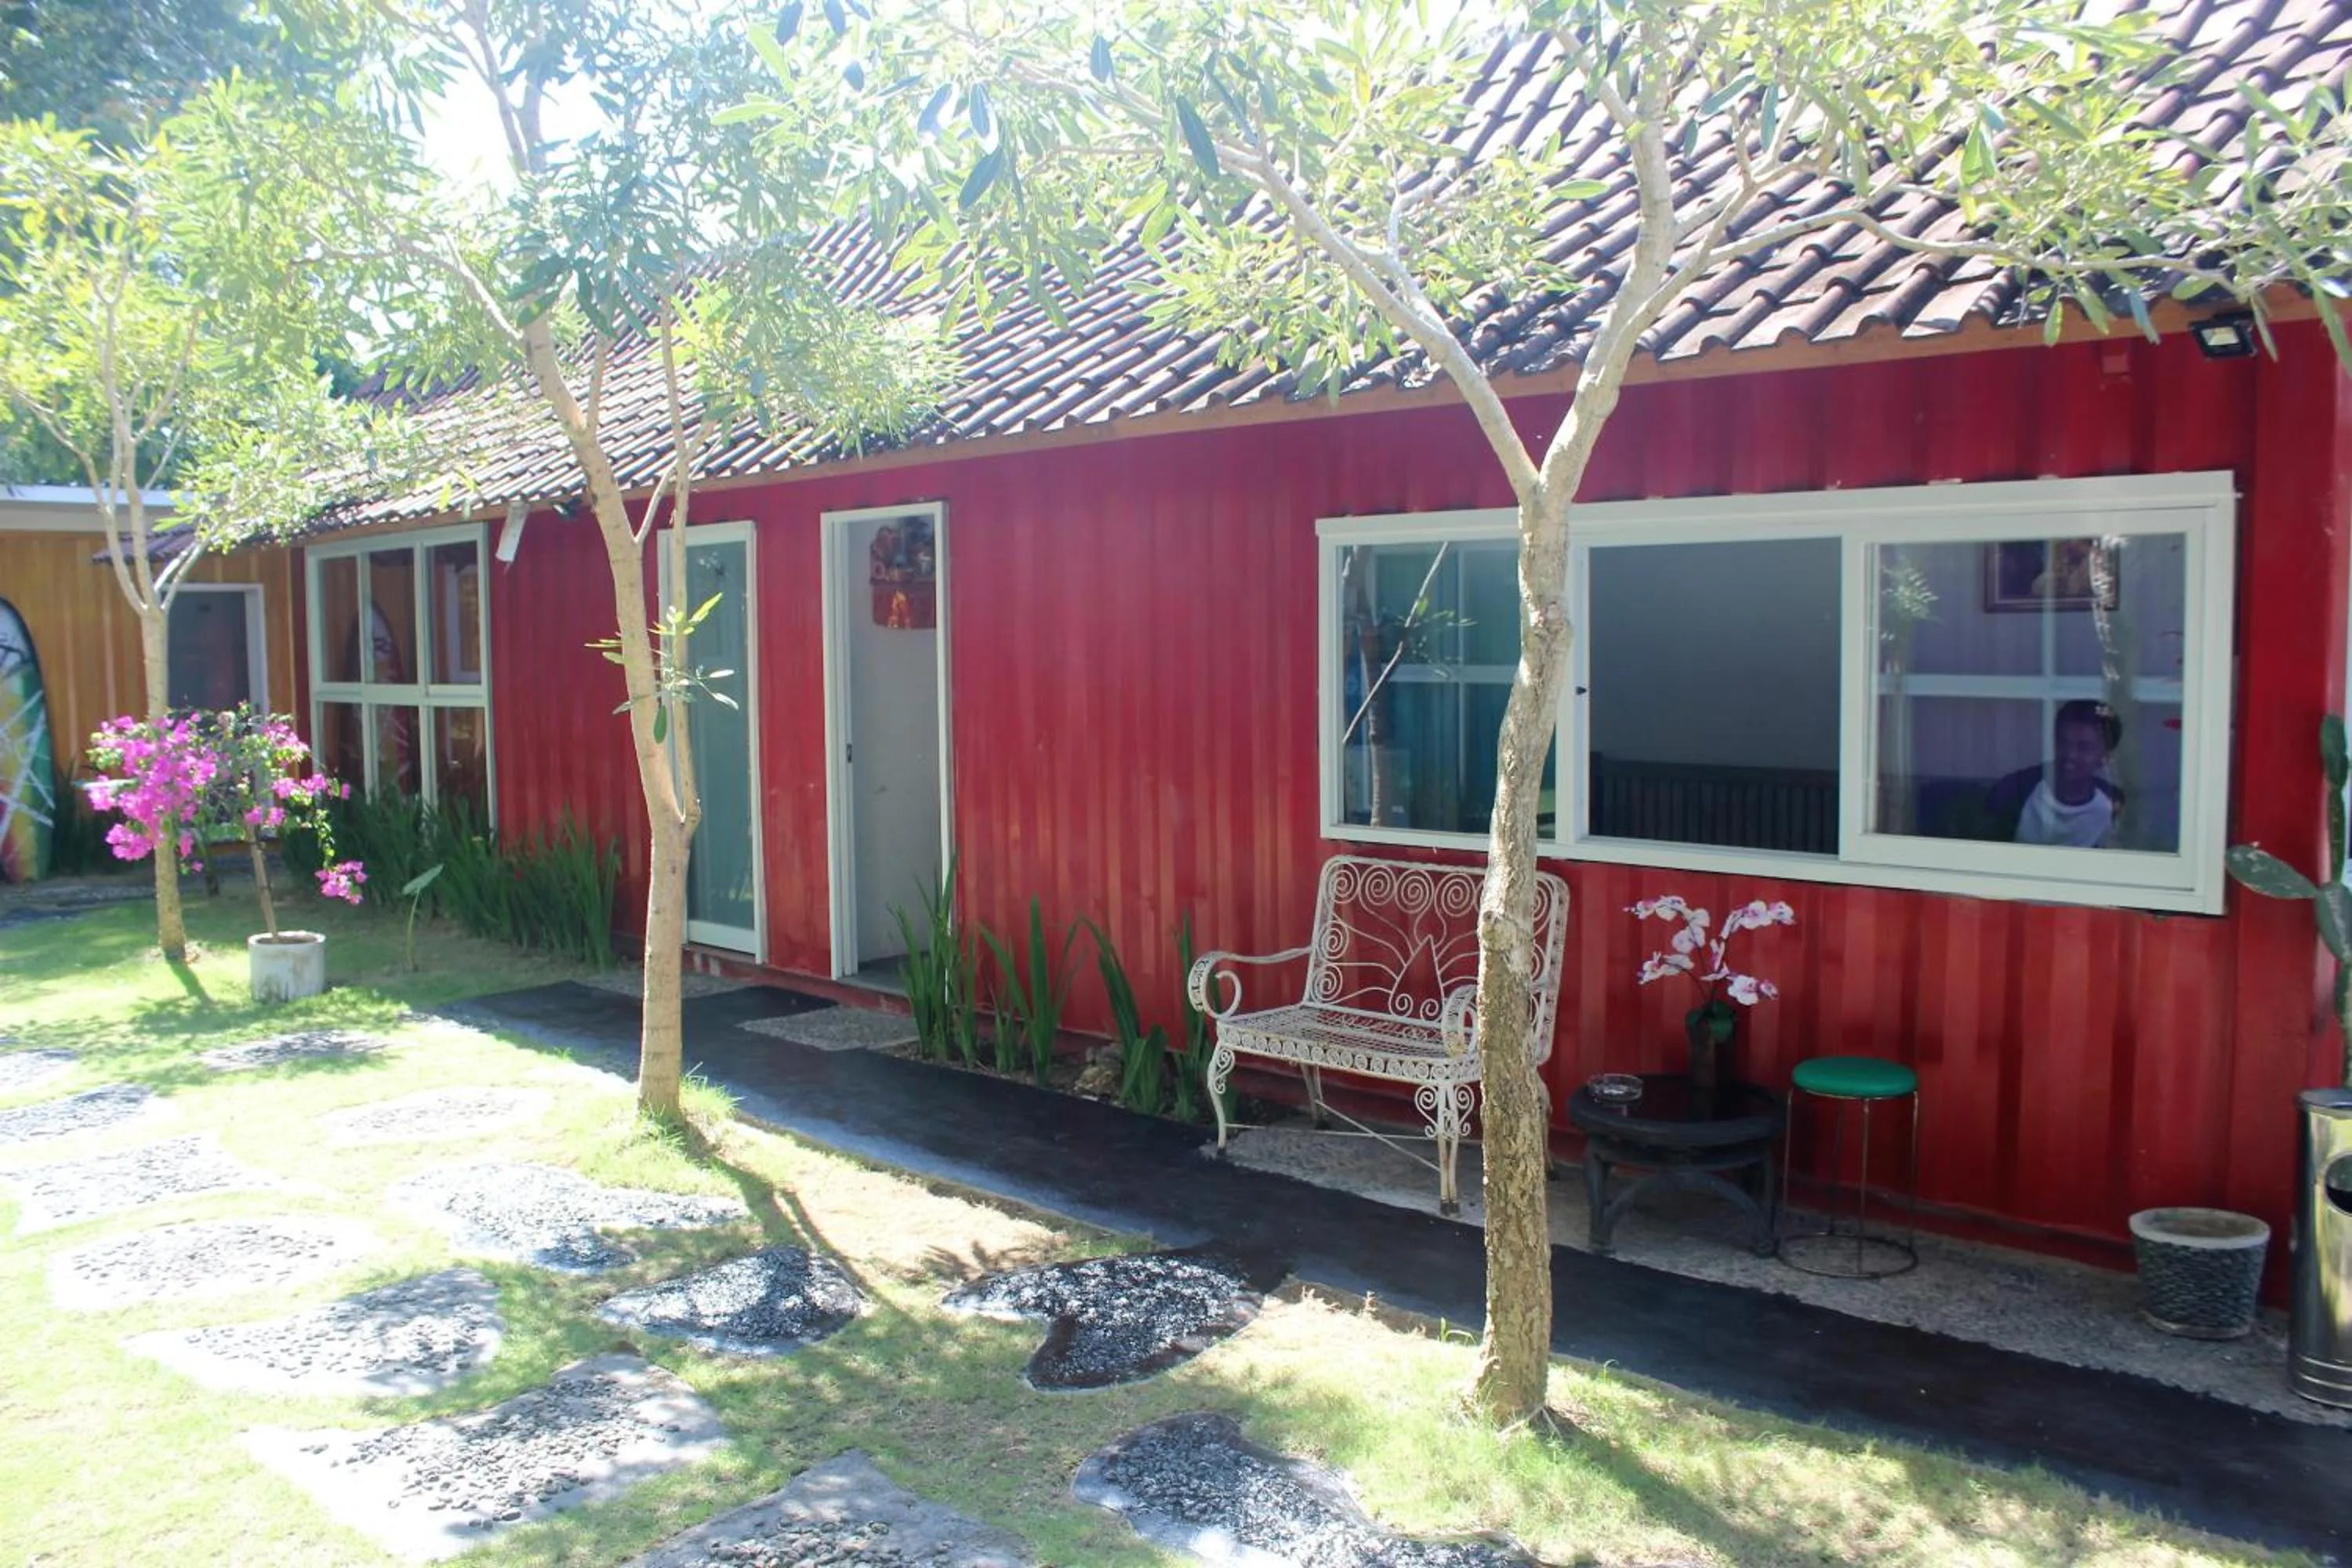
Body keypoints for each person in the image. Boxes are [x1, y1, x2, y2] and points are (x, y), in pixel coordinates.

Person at [1987, 700, 2125, 848]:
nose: (2070, 755)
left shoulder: (2114, 807)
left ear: (2104, 756)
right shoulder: (2014, 791)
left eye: (2084, 748)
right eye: (2063, 743)